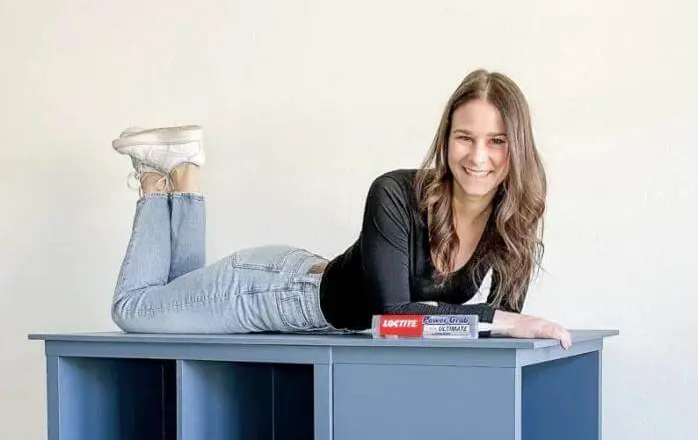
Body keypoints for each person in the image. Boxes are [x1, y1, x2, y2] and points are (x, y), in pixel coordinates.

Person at [110, 69, 572, 348]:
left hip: (312, 302)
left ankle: (180, 175)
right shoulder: (395, 193)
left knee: (172, 307)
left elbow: (501, 332)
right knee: (135, 312)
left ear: (518, 148)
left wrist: (506, 323)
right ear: (446, 139)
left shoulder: (512, 220)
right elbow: (394, 320)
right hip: (272, 291)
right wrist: (502, 321)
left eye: (497, 142)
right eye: (465, 138)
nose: (478, 157)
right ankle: (162, 181)